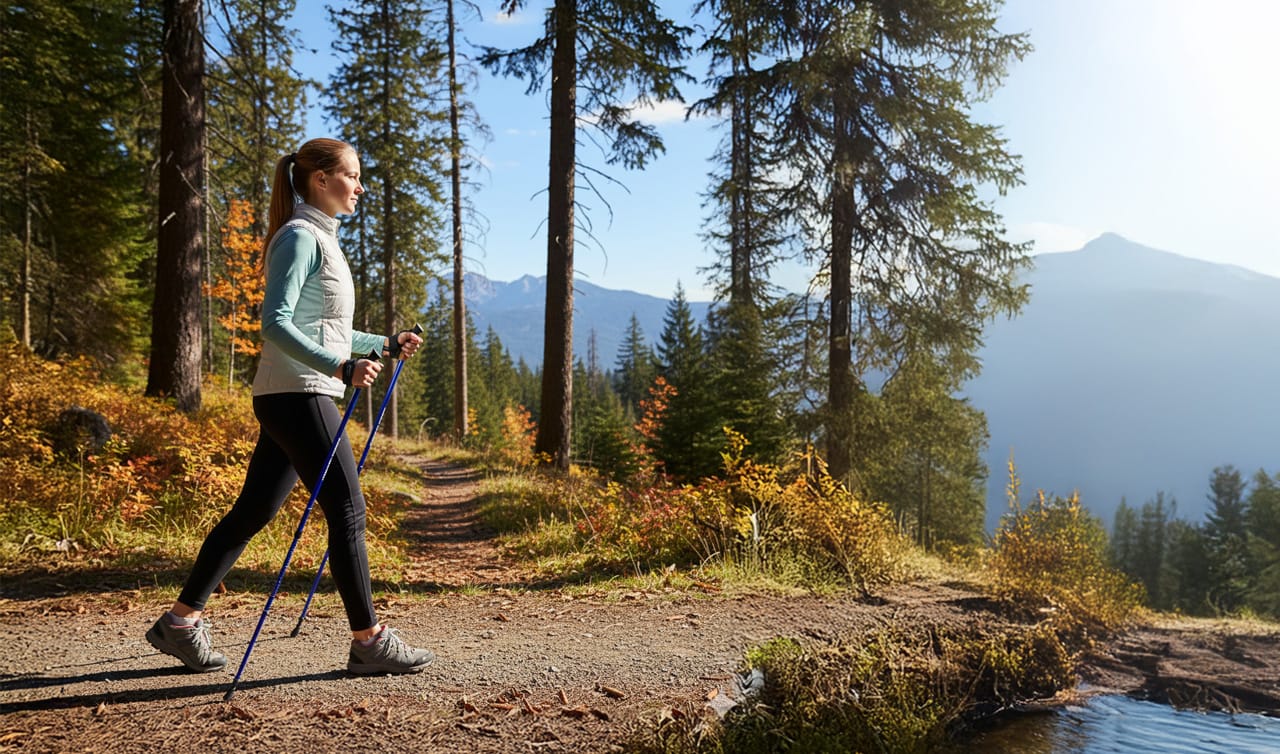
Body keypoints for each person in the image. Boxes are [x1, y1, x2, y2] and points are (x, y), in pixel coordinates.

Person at [146, 137, 433, 675]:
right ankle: (369, 642)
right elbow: (274, 324)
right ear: (320, 179)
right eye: (352, 175)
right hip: (300, 393)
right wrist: (340, 368)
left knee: (253, 511)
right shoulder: (300, 238)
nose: (359, 186)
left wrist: (382, 345)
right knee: (347, 510)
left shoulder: (320, 237)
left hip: (291, 393)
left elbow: (326, 328)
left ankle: (178, 624)